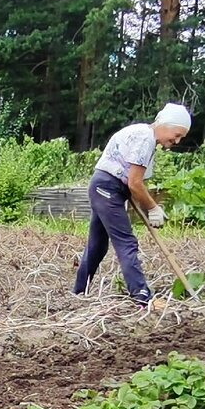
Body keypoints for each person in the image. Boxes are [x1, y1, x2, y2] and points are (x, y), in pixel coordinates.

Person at [73, 103, 192, 306]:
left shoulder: (145, 136)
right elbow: (135, 183)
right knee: (126, 242)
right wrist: (153, 208)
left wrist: (145, 204)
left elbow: (135, 183)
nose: (177, 140)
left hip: (106, 187)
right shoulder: (145, 138)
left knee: (97, 245)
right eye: (177, 134)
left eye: (181, 137)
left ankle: (78, 292)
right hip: (107, 188)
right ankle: (141, 294)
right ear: (166, 124)